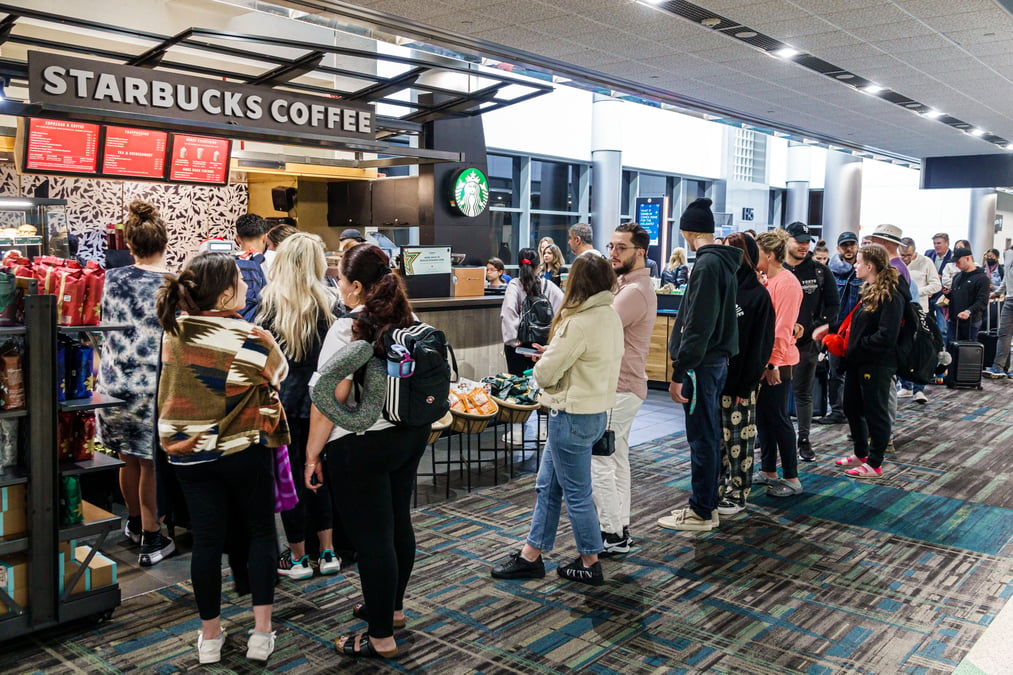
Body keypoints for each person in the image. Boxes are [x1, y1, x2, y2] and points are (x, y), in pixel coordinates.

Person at [156, 252, 289, 665]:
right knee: (261, 535)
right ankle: (261, 632)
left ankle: (210, 636)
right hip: (241, 450)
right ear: (227, 291)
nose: (249, 284)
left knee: (207, 544)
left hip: (187, 456)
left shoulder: (173, 330)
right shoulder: (249, 336)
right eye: (241, 279)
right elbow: (277, 372)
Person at [304, 244, 431, 659]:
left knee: (373, 540)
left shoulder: (349, 329)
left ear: (356, 286)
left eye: (339, 279)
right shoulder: (411, 322)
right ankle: (390, 610)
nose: (337, 285)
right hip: (407, 437)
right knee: (398, 525)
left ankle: (379, 637)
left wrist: (311, 455)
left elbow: (330, 399)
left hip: (361, 446)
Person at [490, 254, 623, 586]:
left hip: (571, 416)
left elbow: (545, 373)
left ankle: (591, 560)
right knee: (547, 487)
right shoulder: (609, 315)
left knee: (576, 493)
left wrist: (544, 359)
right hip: (592, 413)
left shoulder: (578, 322)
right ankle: (530, 555)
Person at [256, 233, 342, 580]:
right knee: (320, 477)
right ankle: (329, 552)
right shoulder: (332, 305)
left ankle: (297, 559)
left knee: (289, 481)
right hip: (324, 406)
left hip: (283, 408)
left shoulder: (269, 306)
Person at [95, 201, 175, 566]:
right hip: (152, 385)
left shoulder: (108, 279)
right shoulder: (173, 285)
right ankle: (153, 537)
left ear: (129, 246)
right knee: (149, 464)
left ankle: (133, 523)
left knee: (126, 458)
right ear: (165, 242)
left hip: (112, 383)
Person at [657, 198, 741, 531]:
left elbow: (697, 325)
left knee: (702, 437)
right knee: (707, 435)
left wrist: (679, 371)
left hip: (701, 365)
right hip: (714, 362)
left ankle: (701, 511)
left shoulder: (707, 265)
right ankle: (706, 505)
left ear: (687, 232)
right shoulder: (721, 262)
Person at [593, 223, 657, 554]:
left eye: (621, 248)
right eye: (612, 246)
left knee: (600, 461)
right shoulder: (624, 285)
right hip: (623, 386)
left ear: (640, 252)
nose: (613, 253)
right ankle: (620, 528)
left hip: (620, 388)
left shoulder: (634, 291)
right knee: (616, 458)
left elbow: (600, 331)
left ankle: (611, 534)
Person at [823, 244, 904, 479]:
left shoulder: (891, 295)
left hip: (876, 364)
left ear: (870, 266)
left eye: (858, 262)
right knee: (852, 407)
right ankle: (862, 454)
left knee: (876, 413)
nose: (855, 265)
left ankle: (875, 463)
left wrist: (857, 346)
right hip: (858, 362)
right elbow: (857, 326)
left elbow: (886, 336)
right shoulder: (869, 290)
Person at [716, 233, 774, 516]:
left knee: (738, 442)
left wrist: (746, 384)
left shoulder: (758, 295)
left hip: (740, 383)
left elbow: (760, 346)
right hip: (713, 379)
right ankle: (715, 489)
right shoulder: (720, 287)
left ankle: (738, 494)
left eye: (733, 251)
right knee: (715, 441)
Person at [752, 229, 804, 498]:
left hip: (779, 363)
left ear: (770, 255)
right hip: (766, 361)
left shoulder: (787, 283)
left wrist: (772, 364)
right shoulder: (767, 280)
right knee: (765, 418)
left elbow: (782, 329)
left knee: (779, 419)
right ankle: (769, 470)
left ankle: (792, 478)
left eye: (758, 252)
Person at [783, 222, 838, 463]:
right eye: (799, 241)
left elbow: (833, 305)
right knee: (772, 393)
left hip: (806, 344)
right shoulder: (776, 269)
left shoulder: (819, 271)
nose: (804, 245)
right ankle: (767, 436)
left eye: (807, 241)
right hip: (777, 343)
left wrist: (818, 328)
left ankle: (803, 440)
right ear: (786, 240)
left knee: (803, 393)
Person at [501, 249, 564, 376]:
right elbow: (563, 309)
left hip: (518, 347)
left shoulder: (515, 285)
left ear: (519, 266)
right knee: (540, 385)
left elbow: (508, 312)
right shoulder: (548, 285)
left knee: (518, 386)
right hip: (542, 346)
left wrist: (514, 340)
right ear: (538, 266)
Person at [821, 231, 862, 425]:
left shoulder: (862, 270)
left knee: (856, 373)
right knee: (835, 372)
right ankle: (837, 410)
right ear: (838, 248)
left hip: (857, 330)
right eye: (845, 245)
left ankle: (854, 412)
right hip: (836, 330)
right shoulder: (830, 271)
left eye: (852, 245)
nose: (849, 248)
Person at [898, 237, 941, 402]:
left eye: (908, 255)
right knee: (903, 348)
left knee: (920, 350)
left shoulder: (926, 262)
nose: (905, 258)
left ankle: (919, 389)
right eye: (902, 255)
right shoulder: (897, 264)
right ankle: (906, 386)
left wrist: (916, 291)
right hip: (902, 311)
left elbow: (936, 285)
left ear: (914, 251)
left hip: (920, 310)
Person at [947, 246, 990, 343]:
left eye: (958, 262)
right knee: (952, 349)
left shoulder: (982, 279)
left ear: (968, 258)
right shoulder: (957, 277)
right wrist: (947, 294)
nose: (957, 265)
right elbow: (955, 296)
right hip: (954, 320)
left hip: (971, 321)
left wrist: (969, 311)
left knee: (968, 352)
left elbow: (982, 301)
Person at [984, 244, 1013, 379]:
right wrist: (997, 293)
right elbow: (1007, 277)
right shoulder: (1008, 254)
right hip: (1009, 300)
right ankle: (998, 367)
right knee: (1003, 333)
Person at [234, 213, 270, 321]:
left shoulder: (225, 264)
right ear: (265, 237)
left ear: (238, 239)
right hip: (258, 327)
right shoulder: (271, 264)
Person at [926, 232, 953, 340]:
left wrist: (941, 278)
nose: (936, 246)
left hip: (942, 296)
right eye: (934, 243)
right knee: (928, 324)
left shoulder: (952, 257)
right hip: (929, 294)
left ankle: (943, 351)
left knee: (943, 327)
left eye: (939, 243)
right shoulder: (928, 254)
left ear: (947, 243)